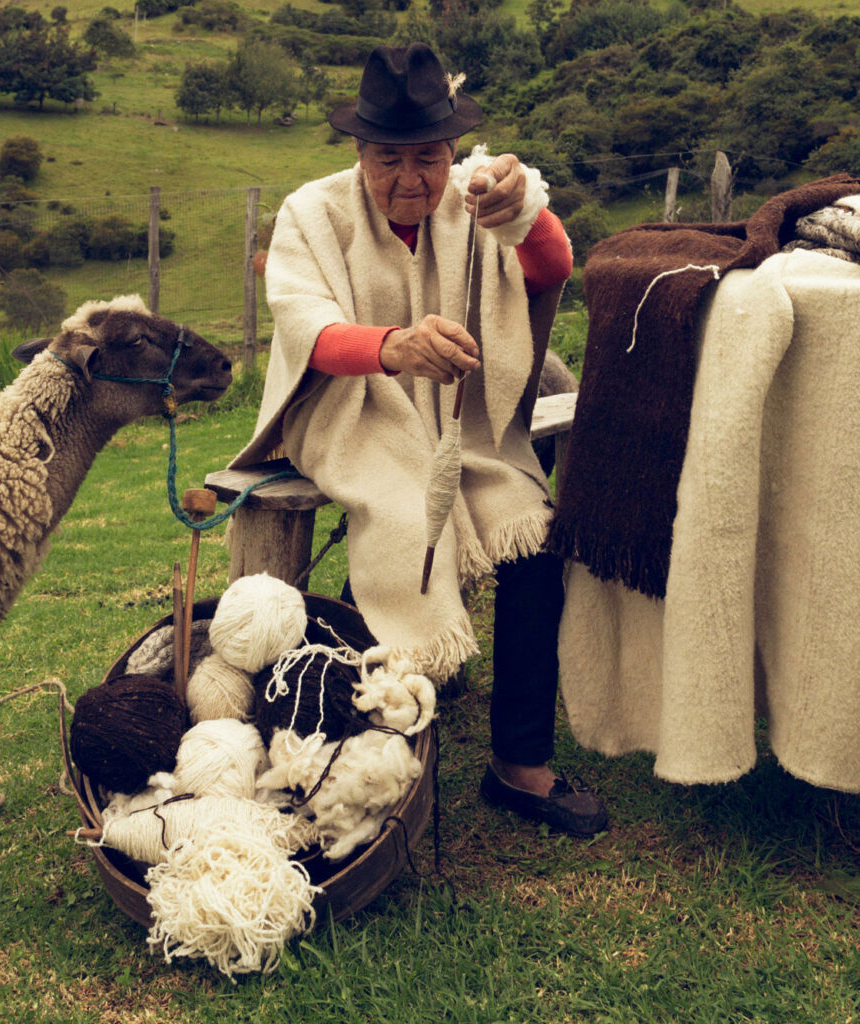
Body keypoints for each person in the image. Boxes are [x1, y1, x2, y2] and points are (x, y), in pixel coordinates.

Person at [231, 42, 607, 836]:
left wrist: (528, 214)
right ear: (359, 154)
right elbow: (307, 327)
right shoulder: (314, 212)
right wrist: (393, 348)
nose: (411, 181)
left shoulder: (474, 201)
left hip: (463, 419)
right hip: (354, 415)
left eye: (428, 159)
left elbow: (550, 267)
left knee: (533, 536)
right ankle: (388, 760)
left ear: (449, 153)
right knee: (403, 526)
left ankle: (521, 764)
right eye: (388, 160)